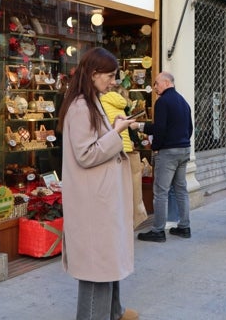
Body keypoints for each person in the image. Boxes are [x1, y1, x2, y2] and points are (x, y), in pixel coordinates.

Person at [57, 47, 139, 320]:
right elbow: (86, 153)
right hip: (93, 202)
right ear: (93, 74)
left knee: (107, 262)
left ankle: (114, 312)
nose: (113, 81)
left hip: (100, 198)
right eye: (110, 76)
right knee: (97, 270)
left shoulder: (90, 101)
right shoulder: (81, 106)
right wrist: (116, 133)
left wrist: (113, 127)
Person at [132, 72, 193, 243]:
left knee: (160, 192)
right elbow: (189, 127)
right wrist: (141, 125)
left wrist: (156, 148)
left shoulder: (162, 102)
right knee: (181, 189)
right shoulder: (183, 101)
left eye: (157, 83)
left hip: (168, 152)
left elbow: (159, 129)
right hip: (184, 149)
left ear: (166, 83)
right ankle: (184, 227)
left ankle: (158, 230)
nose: (155, 87)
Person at [101, 85, 149, 229]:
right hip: (126, 148)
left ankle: (115, 224)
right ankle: (130, 221)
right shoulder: (121, 106)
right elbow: (127, 128)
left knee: (113, 191)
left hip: (112, 148)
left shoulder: (101, 103)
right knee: (127, 189)